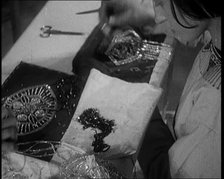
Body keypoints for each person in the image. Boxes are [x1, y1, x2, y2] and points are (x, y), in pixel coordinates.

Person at [100, 0, 221, 178]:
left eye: (161, 3)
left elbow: (168, 174)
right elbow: (204, 22)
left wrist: (140, 110)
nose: (159, 16)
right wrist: (145, 11)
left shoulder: (213, 116)